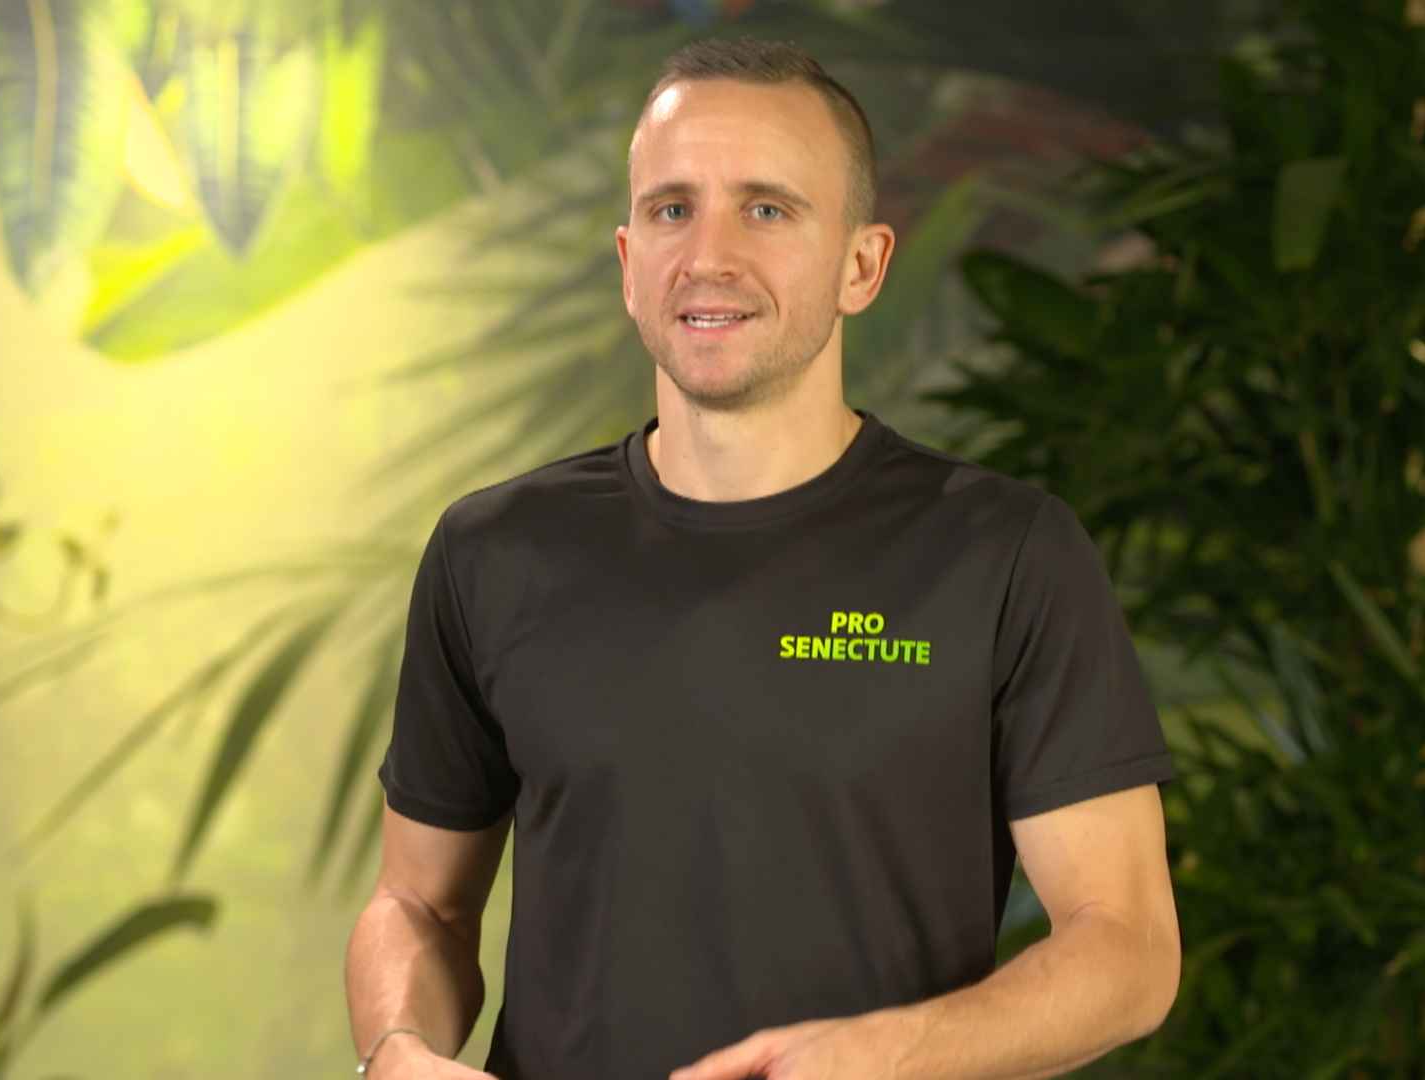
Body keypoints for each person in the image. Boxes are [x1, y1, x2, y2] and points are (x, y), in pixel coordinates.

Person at [344, 36, 1180, 1080]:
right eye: (672, 209)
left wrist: (884, 1054)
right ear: (627, 263)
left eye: (768, 210)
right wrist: (397, 1050)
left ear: (862, 265)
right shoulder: (493, 552)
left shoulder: (1004, 554)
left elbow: (1128, 949)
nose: (709, 256)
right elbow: (419, 904)